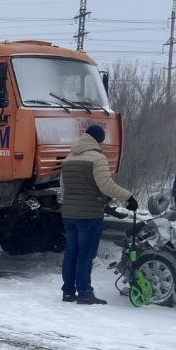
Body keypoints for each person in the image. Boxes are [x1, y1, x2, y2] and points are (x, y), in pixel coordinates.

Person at [59, 124, 136, 305]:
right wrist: (128, 196)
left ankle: (68, 292)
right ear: (98, 140)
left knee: (71, 253)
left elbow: (63, 189)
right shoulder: (97, 158)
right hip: (89, 215)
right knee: (85, 255)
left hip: (69, 215)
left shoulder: (68, 158)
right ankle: (85, 293)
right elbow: (106, 186)